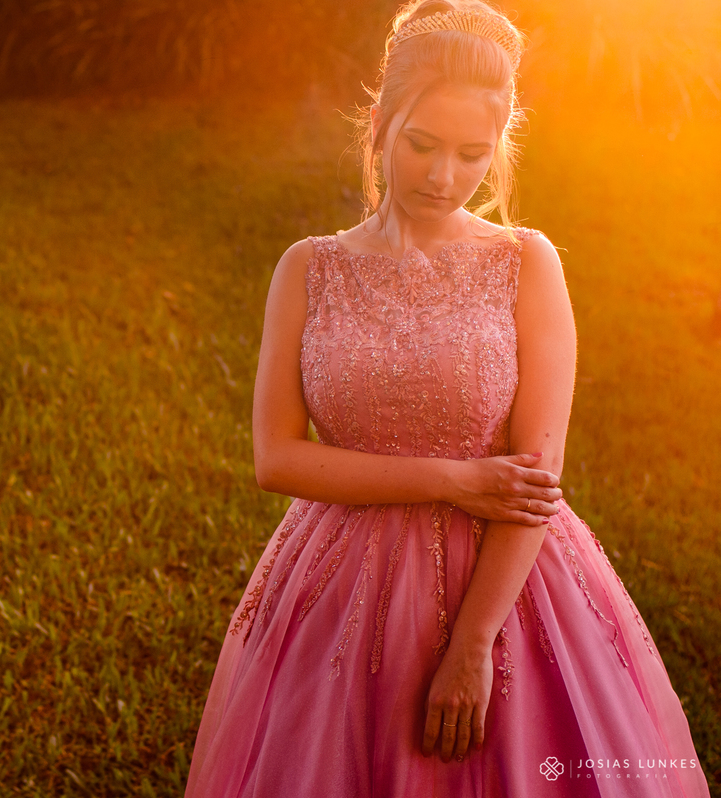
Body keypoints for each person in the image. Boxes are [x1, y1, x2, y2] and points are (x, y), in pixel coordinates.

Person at [183, 1, 711, 796]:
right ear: (380, 126)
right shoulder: (307, 268)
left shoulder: (526, 264)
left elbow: (536, 476)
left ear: (499, 148)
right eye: (422, 145)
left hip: (504, 580)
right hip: (339, 580)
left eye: (472, 154)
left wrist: (472, 645)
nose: (442, 177)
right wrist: (453, 479)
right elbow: (276, 458)